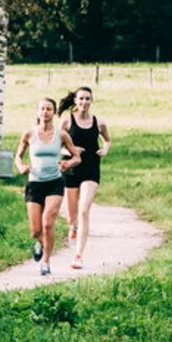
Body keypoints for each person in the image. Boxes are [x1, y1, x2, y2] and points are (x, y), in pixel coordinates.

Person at [15, 97, 82, 276]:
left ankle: (45, 261)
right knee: (35, 230)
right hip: (34, 183)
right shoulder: (29, 134)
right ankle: (41, 243)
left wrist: (68, 164)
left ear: (53, 113)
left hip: (54, 182)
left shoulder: (61, 135)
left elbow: (77, 157)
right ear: (38, 112)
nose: (45, 112)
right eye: (42, 109)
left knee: (48, 223)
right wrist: (21, 167)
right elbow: (18, 156)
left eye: (49, 109)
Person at [60, 86, 111, 270]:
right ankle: (72, 227)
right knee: (71, 215)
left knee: (84, 210)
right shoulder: (66, 122)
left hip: (91, 168)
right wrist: (70, 151)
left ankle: (78, 255)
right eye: (81, 99)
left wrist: (104, 149)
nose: (84, 102)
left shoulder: (98, 123)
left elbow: (107, 140)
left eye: (87, 99)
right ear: (75, 101)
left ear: (91, 101)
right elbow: (56, 146)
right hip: (71, 168)